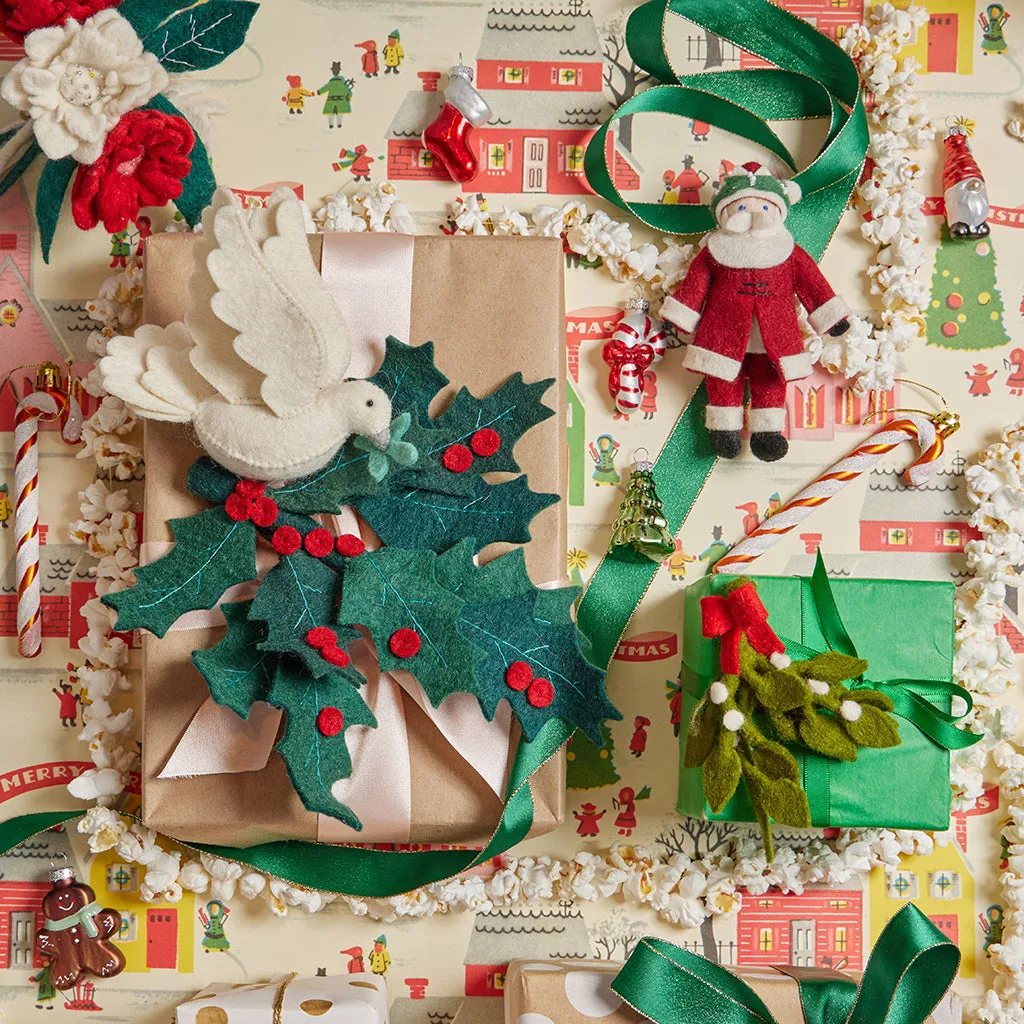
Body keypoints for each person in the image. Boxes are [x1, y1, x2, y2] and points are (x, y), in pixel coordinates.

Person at [317, 61, 353, 128]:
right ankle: (339, 124)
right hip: (341, 101)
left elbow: (325, 88)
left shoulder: (331, 82)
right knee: (340, 113)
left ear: (332, 72)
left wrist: (319, 92)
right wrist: (349, 95)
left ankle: (331, 124)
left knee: (330, 113)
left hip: (332, 101)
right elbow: (347, 90)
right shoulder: (343, 83)